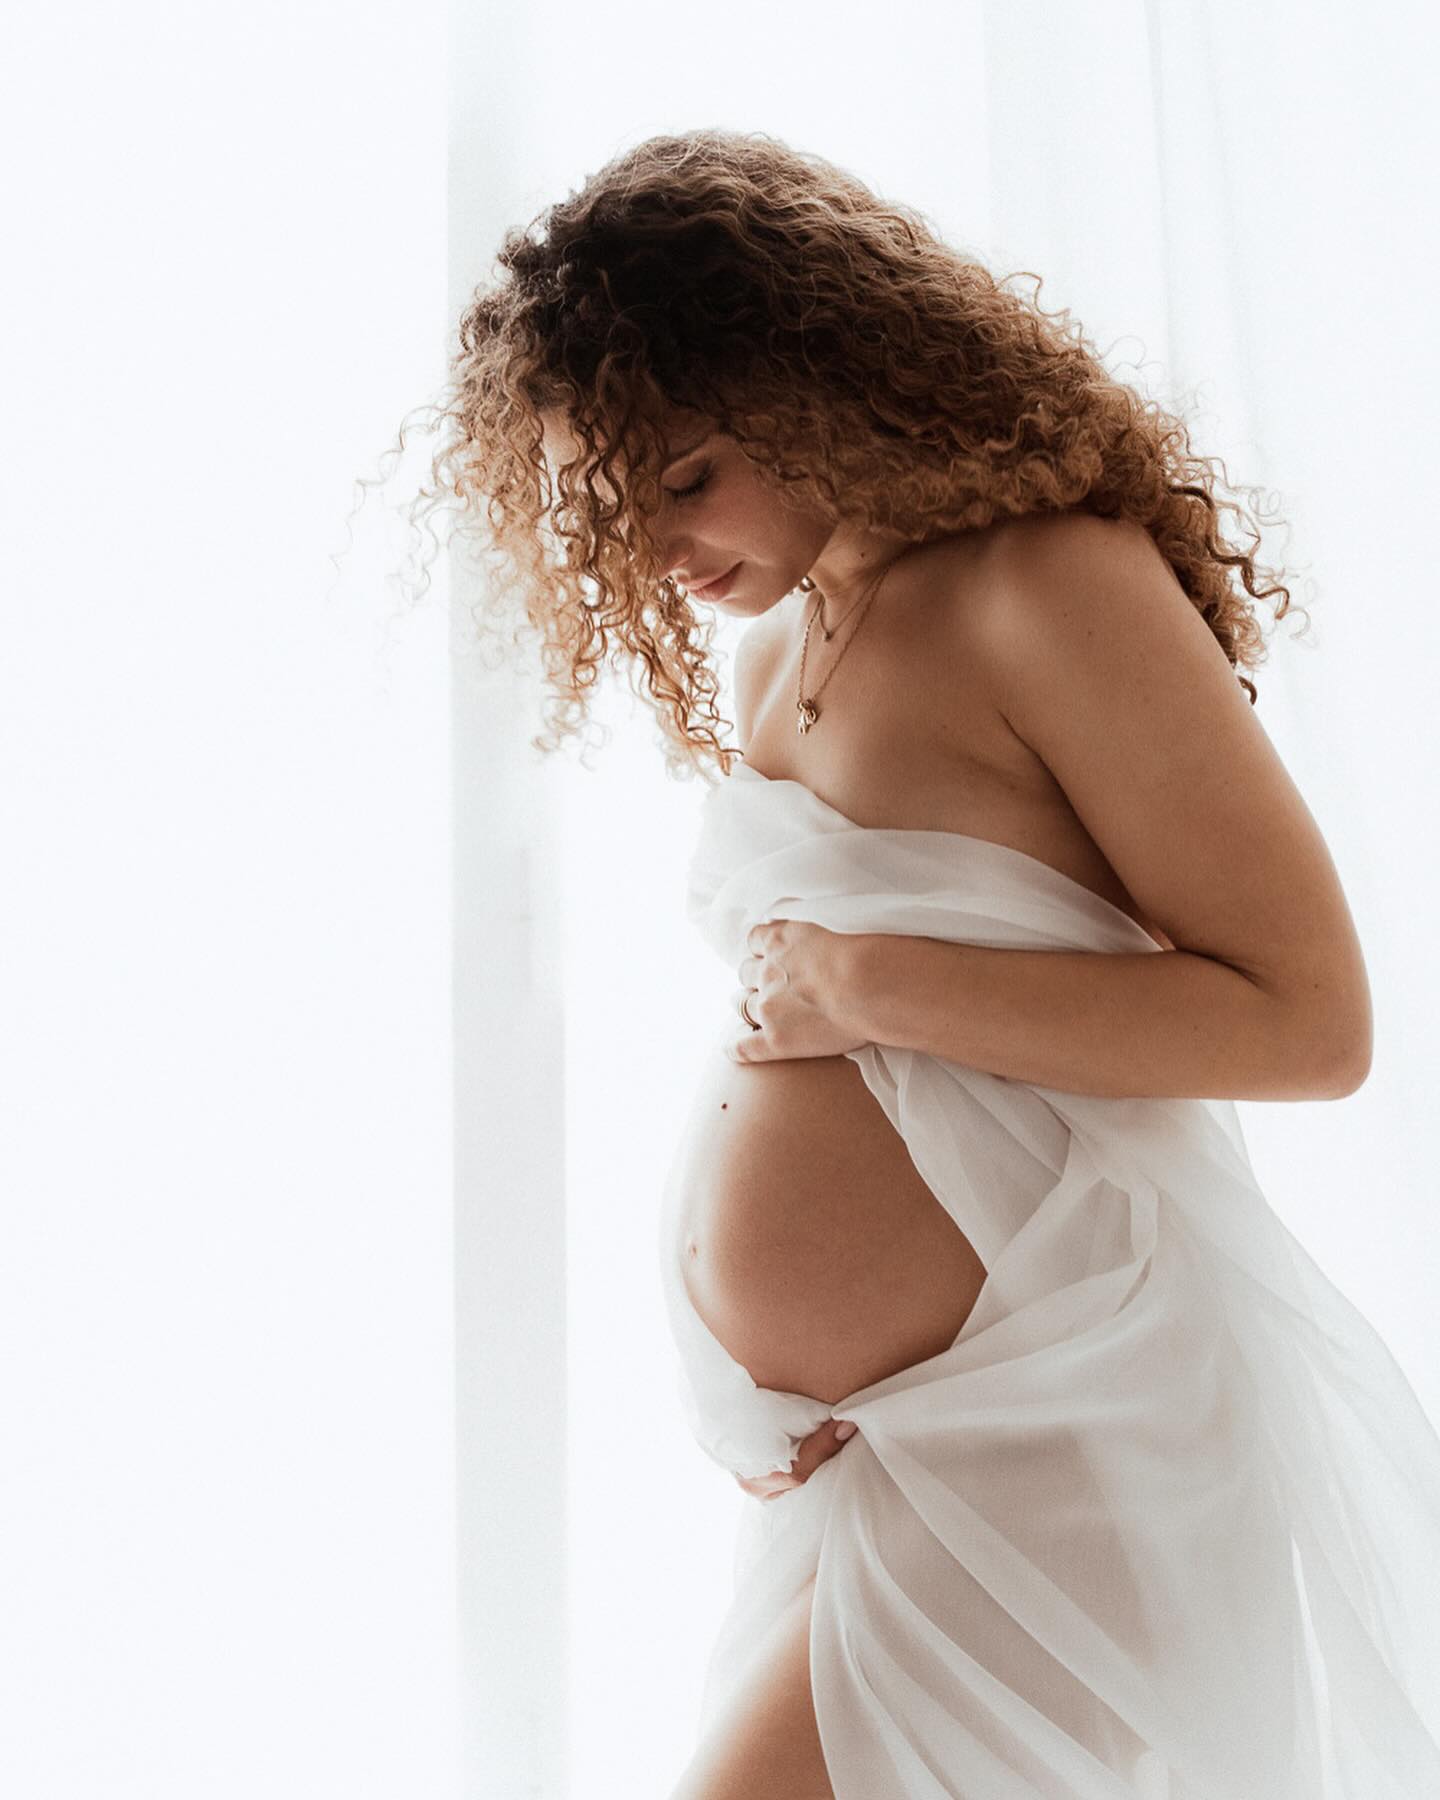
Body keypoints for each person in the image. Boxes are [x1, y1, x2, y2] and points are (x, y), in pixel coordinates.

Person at [392, 128, 1440, 1797]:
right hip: (880, 1465)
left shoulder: (1050, 589)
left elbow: (1312, 1022)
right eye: (615, 503)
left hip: (1073, 1435)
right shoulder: (772, 661)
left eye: (689, 475)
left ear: (826, 381)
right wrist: (747, 1385)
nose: (659, 550)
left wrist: (866, 984)